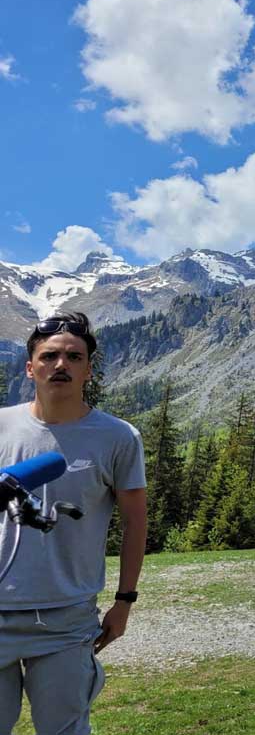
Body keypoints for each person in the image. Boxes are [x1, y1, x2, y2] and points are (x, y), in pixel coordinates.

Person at [0, 311, 148, 735]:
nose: (60, 364)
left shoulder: (118, 437)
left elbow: (135, 522)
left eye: (73, 357)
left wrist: (124, 601)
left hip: (66, 620)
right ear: (30, 368)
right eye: (49, 356)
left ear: (88, 369)